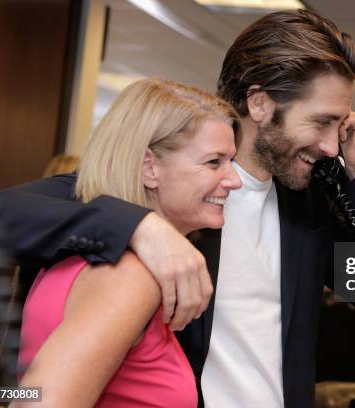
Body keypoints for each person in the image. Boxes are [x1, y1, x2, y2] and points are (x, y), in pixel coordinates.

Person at [0, 9, 355, 407]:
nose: (331, 146)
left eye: (338, 124)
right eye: (320, 122)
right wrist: (142, 227)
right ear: (259, 104)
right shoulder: (169, 194)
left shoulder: (307, 205)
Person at [13, 78, 242, 407]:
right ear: (150, 167)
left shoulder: (90, 255)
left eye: (231, 161)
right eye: (213, 162)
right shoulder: (130, 275)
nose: (234, 180)